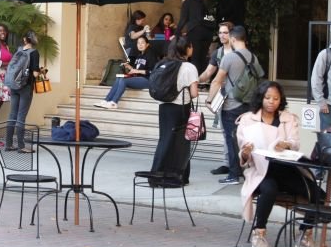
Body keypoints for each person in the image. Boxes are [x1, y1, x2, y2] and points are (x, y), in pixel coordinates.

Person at [237, 81, 324, 247]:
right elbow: (243, 157)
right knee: (269, 190)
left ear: (281, 100)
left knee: (318, 195)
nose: (271, 102)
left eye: (276, 98)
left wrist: (286, 145)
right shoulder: (248, 119)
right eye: (267, 97)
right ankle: (259, 233)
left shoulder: (288, 118)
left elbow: (295, 143)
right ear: (260, 98)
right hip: (261, 171)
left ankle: (304, 234)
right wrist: (246, 152)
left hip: (286, 169)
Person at [208, 25, 265, 185]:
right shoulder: (253, 57)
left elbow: (217, 80)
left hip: (231, 105)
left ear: (233, 39)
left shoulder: (229, 57)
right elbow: (260, 76)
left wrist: (210, 100)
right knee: (246, 140)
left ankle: (234, 174)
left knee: (231, 139)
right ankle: (246, 169)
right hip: (248, 105)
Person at [149, 37, 199, 184]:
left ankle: (158, 174)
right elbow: (194, 93)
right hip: (180, 109)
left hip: (164, 107)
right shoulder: (189, 67)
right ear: (187, 48)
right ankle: (175, 176)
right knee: (181, 144)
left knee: (165, 140)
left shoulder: (163, 63)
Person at [199, 21, 233, 176]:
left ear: (232, 34)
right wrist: (193, 79)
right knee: (226, 131)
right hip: (223, 96)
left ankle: (239, 163)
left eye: (225, 32)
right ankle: (228, 164)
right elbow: (207, 73)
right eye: (220, 32)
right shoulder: (218, 53)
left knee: (240, 132)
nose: (222, 35)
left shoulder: (239, 52)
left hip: (239, 96)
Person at [94, 35, 157, 109]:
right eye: (138, 43)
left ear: (147, 44)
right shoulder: (139, 55)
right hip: (138, 78)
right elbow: (136, 70)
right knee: (118, 79)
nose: (140, 45)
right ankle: (106, 100)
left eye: (142, 43)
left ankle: (114, 102)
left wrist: (136, 71)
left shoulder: (151, 55)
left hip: (147, 80)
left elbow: (152, 71)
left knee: (123, 81)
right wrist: (130, 67)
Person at [4, 31, 40, 152]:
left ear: (24, 39)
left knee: (12, 114)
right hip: (26, 87)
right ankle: (21, 146)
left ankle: (8, 144)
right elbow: (35, 73)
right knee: (21, 116)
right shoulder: (34, 53)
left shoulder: (19, 51)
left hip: (13, 85)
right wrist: (40, 71)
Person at [176, 0, 210, 74]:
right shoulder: (201, 2)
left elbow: (183, 20)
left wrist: (176, 34)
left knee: (195, 57)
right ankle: (202, 80)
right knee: (202, 57)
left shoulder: (187, 3)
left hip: (196, 32)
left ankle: (195, 81)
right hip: (207, 33)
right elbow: (208, 17)